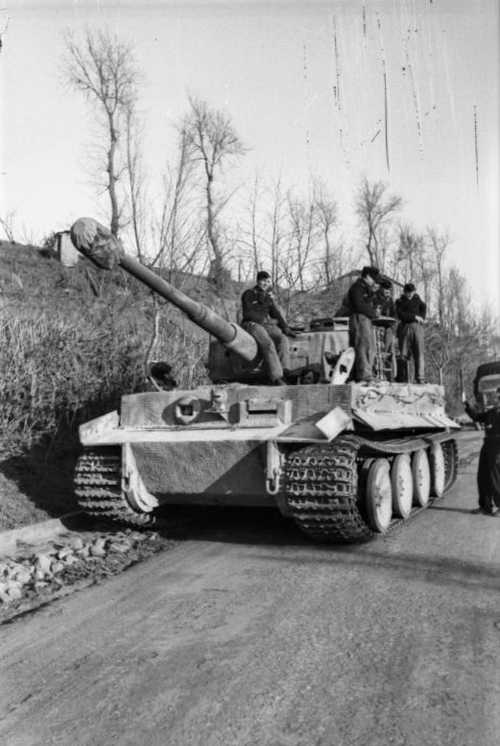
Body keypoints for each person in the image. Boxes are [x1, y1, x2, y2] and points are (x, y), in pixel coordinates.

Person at [241, 271, 296, 385]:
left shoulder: (267, 297)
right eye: (264, 281)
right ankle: (277, 377)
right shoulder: (249, 294)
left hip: (263, 325)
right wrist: (264, 301)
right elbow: (249, 314)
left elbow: (275, 314)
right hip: (251, 324)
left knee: (282, 339)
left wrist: (286, 328)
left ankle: (285, 371)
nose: (266, 283)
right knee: (268, 343)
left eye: (268, 281)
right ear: (258, 281)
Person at [464, 387, 500, 515]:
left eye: (498, 396)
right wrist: (467, 406)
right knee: (483, 476)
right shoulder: (491, 412)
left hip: (498, 448)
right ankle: (485, 506)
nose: (496, 398)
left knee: (495, 477)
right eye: (497, 396)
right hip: (487, 445)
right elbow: (477, 417)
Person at [345, 266, 381, 383]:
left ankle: (367, 372)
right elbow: (358, 305)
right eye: (373, 278)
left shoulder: (365, 288)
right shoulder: (357, 288)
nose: (374, 281)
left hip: (365, 319)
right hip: (359, 318)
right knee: (362, 346)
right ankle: (364, 375)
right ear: (367, 276)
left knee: (369, 347)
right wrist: (373, 313)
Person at [396, 282, 427, 383]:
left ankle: (420, 377)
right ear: (404, 292)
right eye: (407, 292)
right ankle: (402, 377)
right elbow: (401, 315)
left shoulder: (417, 299)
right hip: (405, 326)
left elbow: (424, 307)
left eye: (411, 292)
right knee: (403, 353)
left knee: (419, 352)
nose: (409, 294)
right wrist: (414, 316)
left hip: (418, 327)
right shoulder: (400, 301)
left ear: (414, 291)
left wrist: (422, 317)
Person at [374, 278, 397, 380]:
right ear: (381, 289)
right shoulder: (376, 298)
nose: (387, 291)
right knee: (380, 332)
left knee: (389, 334)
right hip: (376, 325)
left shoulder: (390, 300)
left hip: (387, 325)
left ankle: (386, 356)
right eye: (385, 289)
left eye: (389, 290)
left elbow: (394, 314)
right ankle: (378, 364)